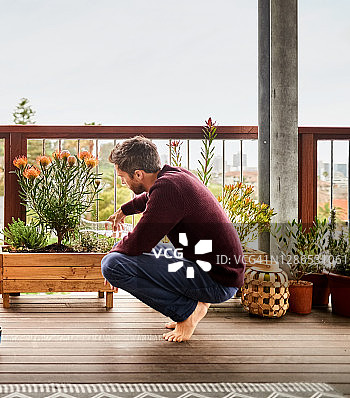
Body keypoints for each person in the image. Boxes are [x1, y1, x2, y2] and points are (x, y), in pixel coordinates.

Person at [100, 136, 244, 342]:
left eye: (123, 177)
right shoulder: (174, 176)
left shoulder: (168, 189)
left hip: (218, 281)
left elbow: (139, 242)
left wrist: (111, 258)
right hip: (219, 271)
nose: (123, 182)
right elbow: (149, 198)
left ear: (138, 174)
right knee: (119, 253)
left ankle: (186, 312)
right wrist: (124, 210)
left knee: (113, 265)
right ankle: (197, 305)